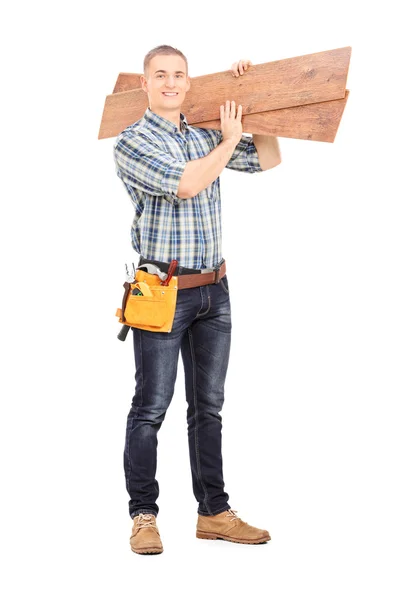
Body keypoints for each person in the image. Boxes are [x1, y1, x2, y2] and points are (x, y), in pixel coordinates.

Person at [113, 45, 281, 555]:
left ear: (188, 82)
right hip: (162, 292)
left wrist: (253, 99)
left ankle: (214, 514)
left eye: (178, 75)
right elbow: (188, 183)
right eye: (160, 75)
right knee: (151, 407)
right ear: (144, 83)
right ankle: (144, 516)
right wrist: (229, 139)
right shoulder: (132, 142)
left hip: (215, 290)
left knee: (208, 407)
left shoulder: (206, 131)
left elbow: (269, 157)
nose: (170, 82)